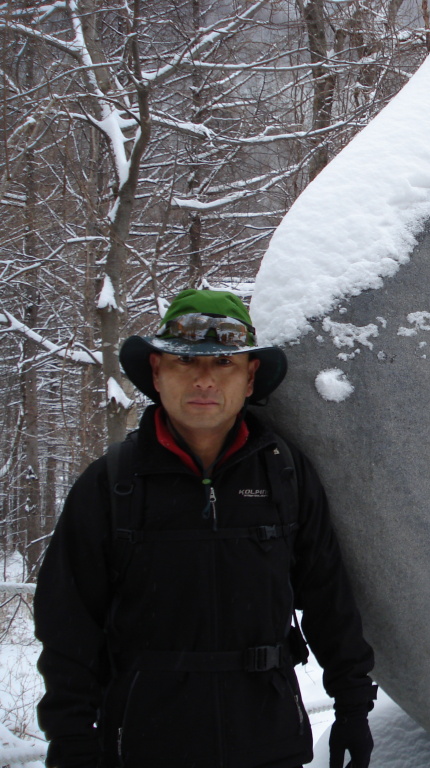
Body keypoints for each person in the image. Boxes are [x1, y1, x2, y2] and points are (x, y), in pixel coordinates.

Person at [34, 289, 376, 768]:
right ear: (156, 371)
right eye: (184, 363)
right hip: (143, 745)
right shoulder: (112, 484)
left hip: (268, 741)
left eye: (224, 365)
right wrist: (69, 735)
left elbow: (328, 598)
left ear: (250, 377)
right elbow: (67, 621)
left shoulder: (285, 475)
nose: (204, 381)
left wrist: (353, 707)